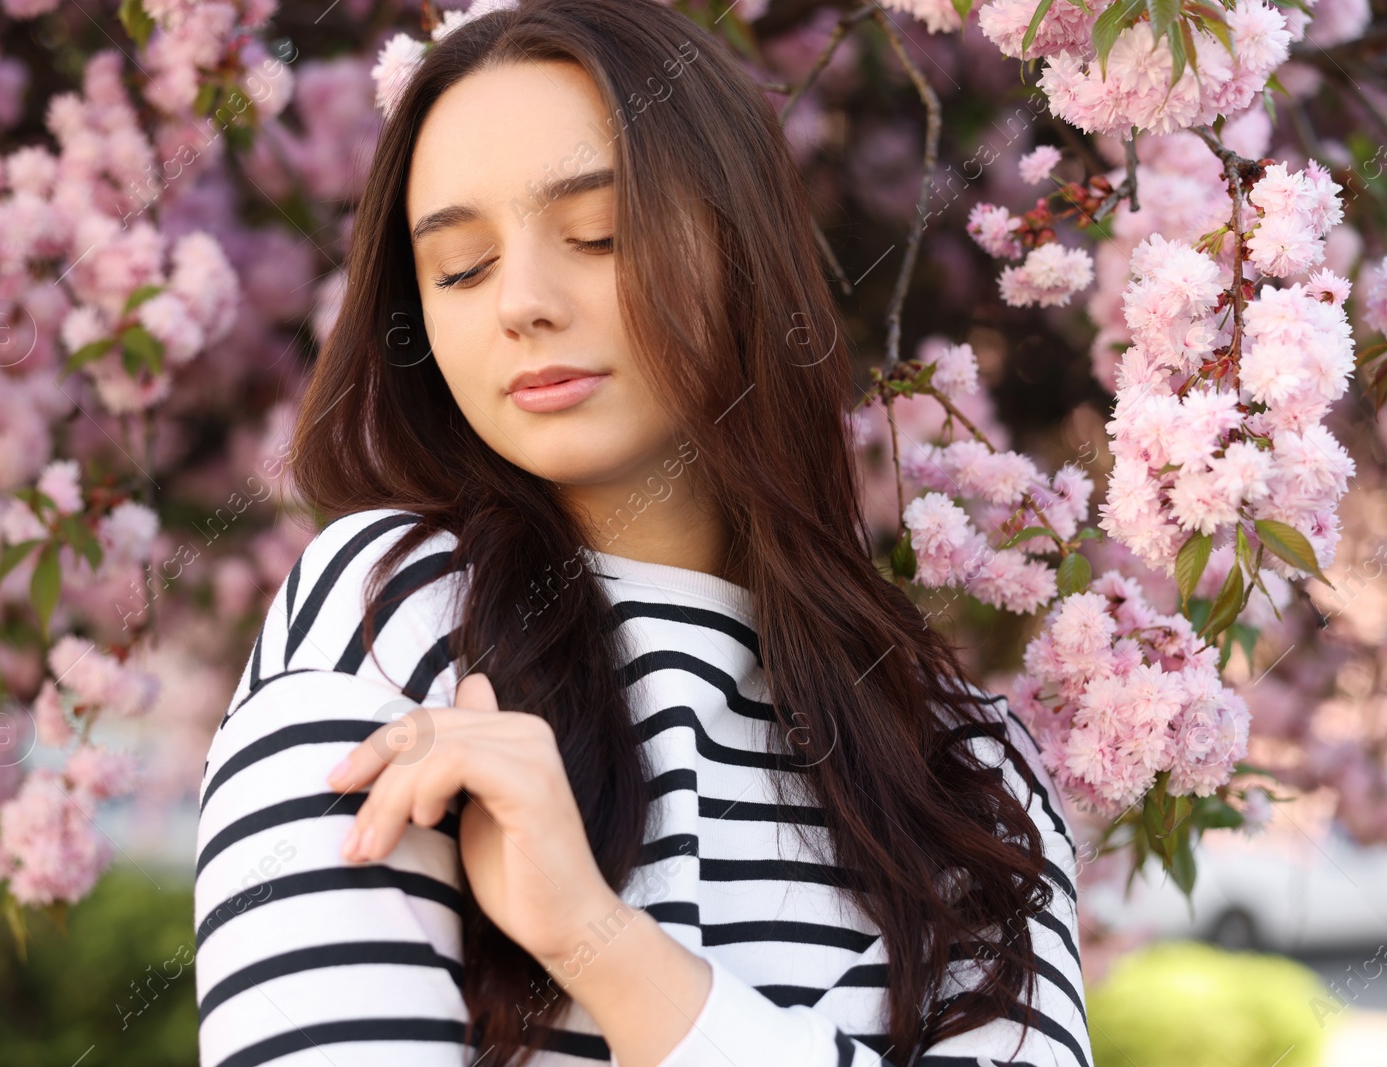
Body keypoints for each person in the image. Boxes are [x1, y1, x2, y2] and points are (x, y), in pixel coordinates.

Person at [192, 1, 1092, 1065]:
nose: (521, 302)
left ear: (740, 247)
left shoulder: (962, 765)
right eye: (461, 268)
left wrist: (601, 944)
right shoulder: (392, 619)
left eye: (597, 234)